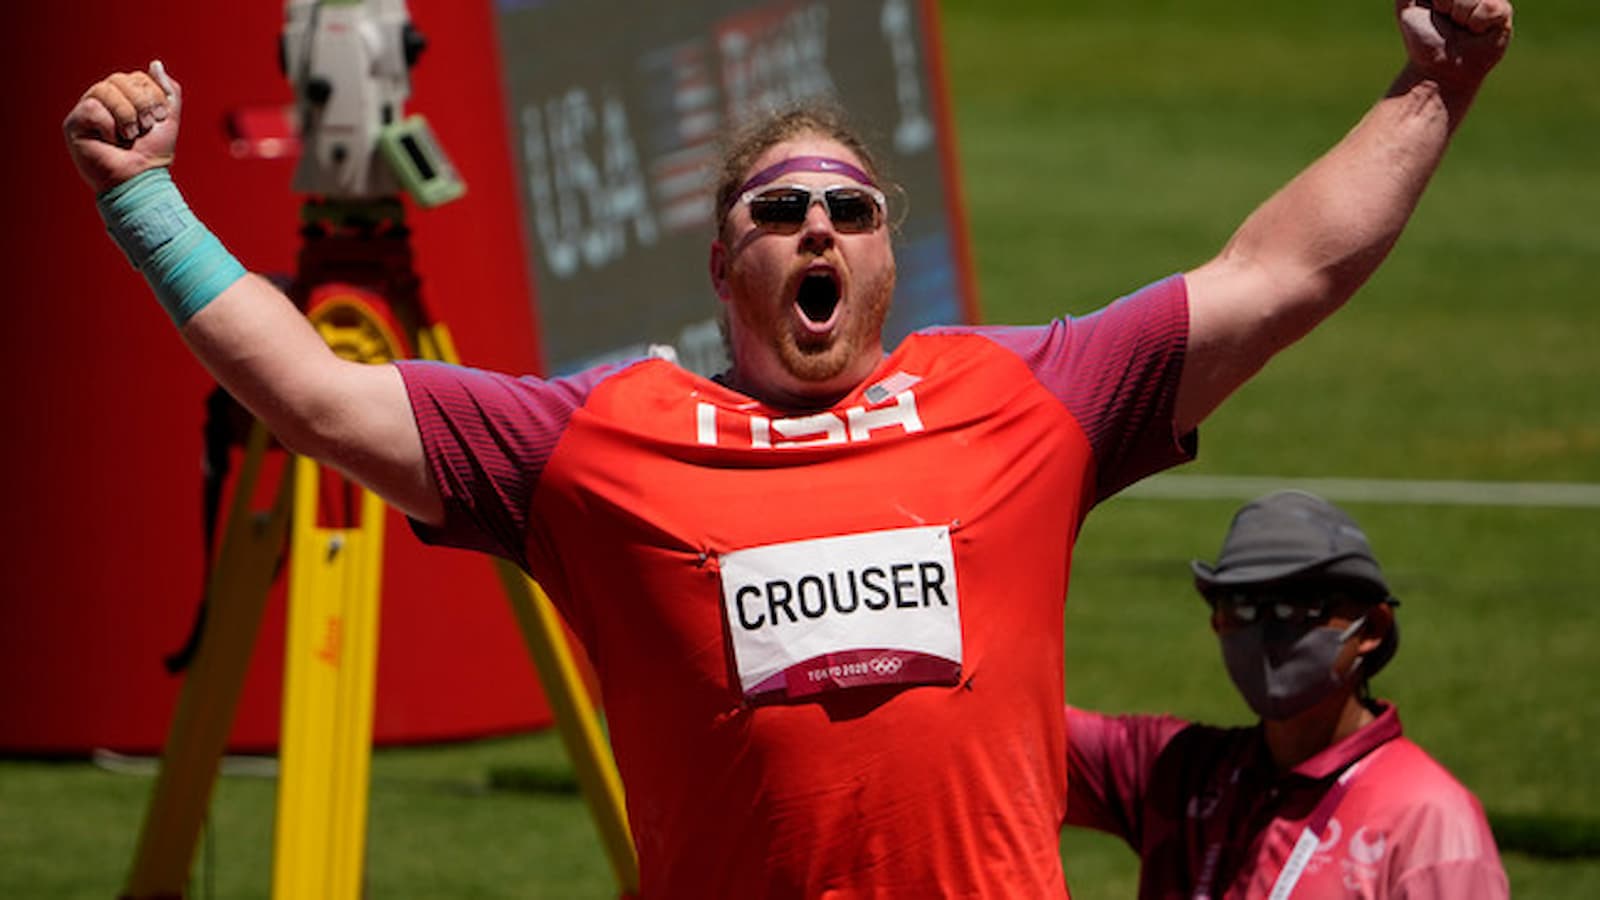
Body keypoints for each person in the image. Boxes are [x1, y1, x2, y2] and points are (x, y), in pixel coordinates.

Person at [62, 2, 1513, 895]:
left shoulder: (1023, 395)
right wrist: (146, 203)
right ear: (722, 267)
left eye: (850, 207)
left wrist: (1434, 86)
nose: (816, 225)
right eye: (778, 210)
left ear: (889, 258)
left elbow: (1278, 273)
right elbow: (318, 394)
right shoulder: (599, 438)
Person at [1065, 490, 1508, 898]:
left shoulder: (1428, 821)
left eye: (1293, 608)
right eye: (1240, 607)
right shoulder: (1179, 774)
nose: (1264, 633)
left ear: (1370, 628)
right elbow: (1009, 731)